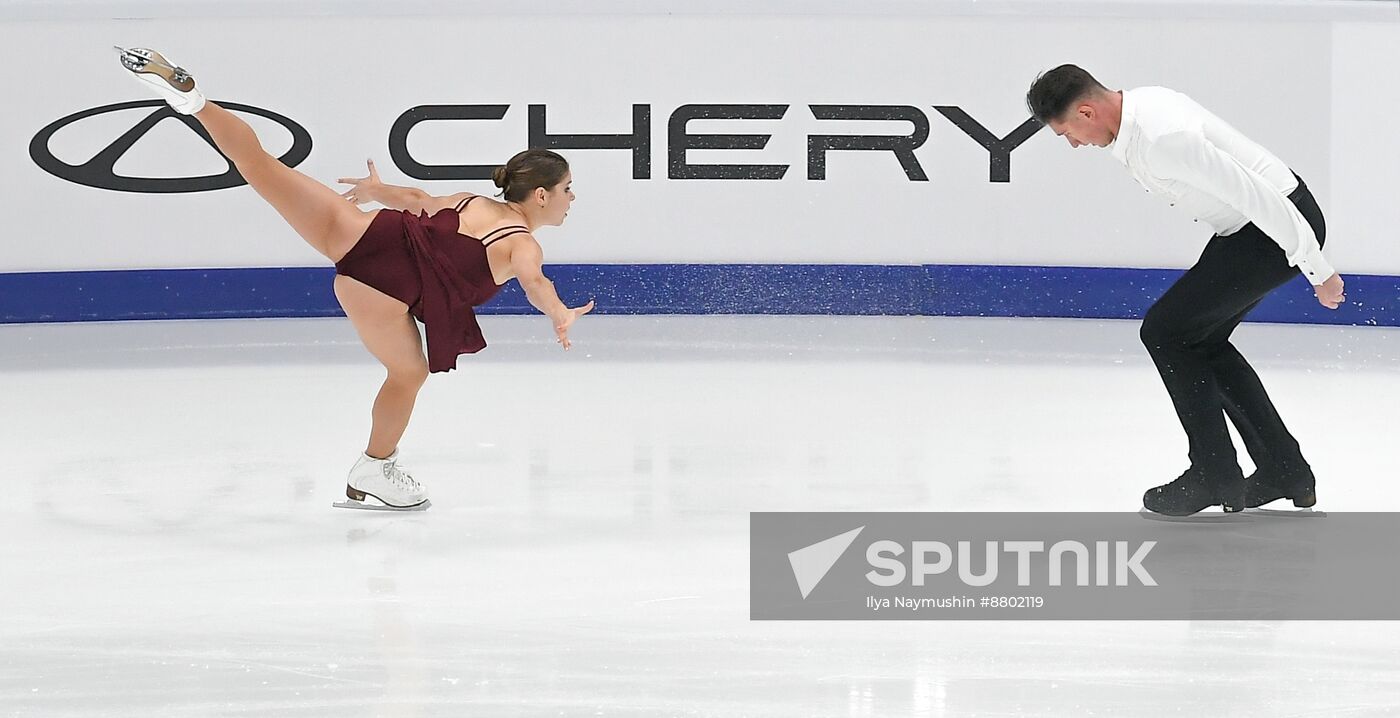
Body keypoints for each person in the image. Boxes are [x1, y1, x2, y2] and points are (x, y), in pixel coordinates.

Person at [117, 47, 595, 511]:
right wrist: (559, 312)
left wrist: (375, 191)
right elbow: (534, 281)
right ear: (539, 195)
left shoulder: (472, 200)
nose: (571, 198)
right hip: (380, 290)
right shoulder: (523, 243)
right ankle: (373, 467)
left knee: (260, 165)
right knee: (409, 374)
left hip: (361, 233)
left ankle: (194, 102)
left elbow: (415, 199)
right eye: (566, 189)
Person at [1025, 64, 1344, 517]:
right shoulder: (1140, 116)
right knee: (1199, 340)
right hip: (1253, 230)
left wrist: (1317, 268)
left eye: (1067, 133)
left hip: (1274, 228)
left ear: (1087, 111)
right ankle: (1282, 468)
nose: (1074, 144)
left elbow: (1259, 196)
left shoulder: (1162, 136)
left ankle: (1214, 475)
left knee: (1166, 331)